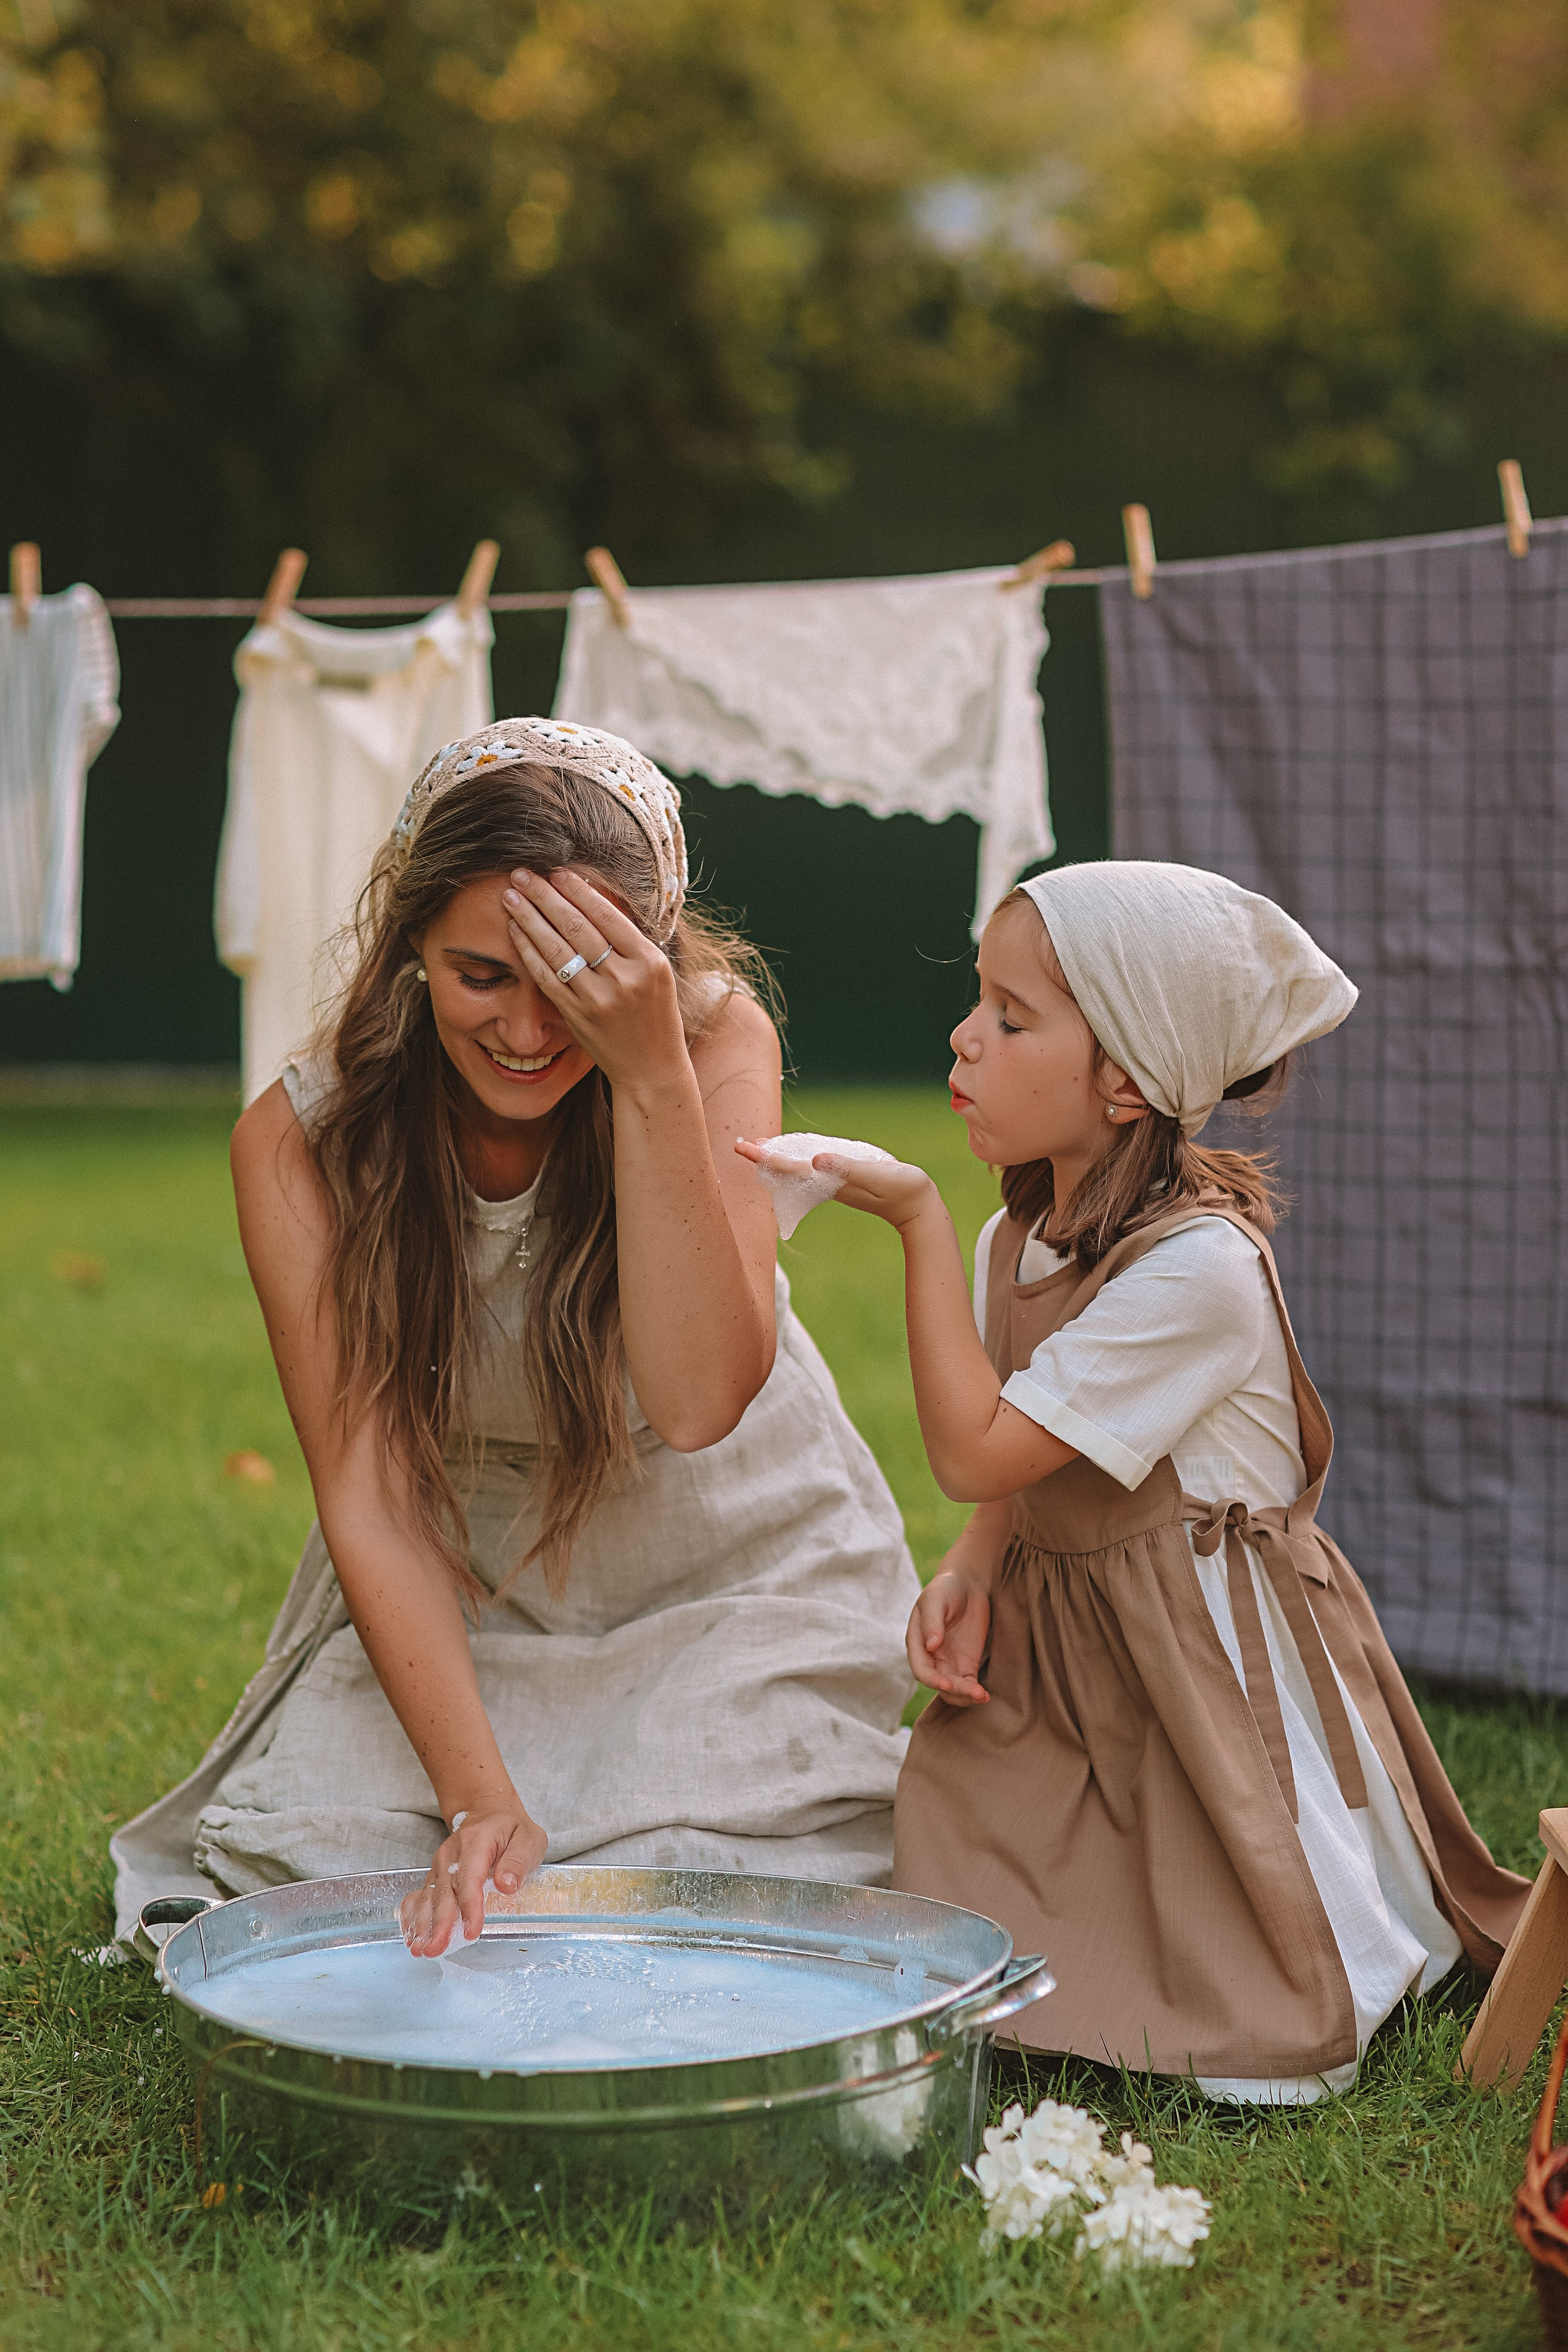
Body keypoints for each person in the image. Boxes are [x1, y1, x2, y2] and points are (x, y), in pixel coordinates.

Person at [112, 718, 917, 1954]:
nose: (532, 1033)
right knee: (315, 1861)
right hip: (463, 1568)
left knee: (700, 1868)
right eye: (482, 974)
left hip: (725, 1560)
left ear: (649, 960)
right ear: (410, 945)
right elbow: (372, 1499)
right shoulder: (300, 1142)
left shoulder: (708, 1044)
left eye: (577, 984)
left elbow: (702, 1400)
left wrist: (649, 1076)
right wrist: (478, 1797)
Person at [743, 861, 1529, 2101]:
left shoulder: (1195, 1274)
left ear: (1123, 1081)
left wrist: (911, 1218)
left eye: (1010, 1016)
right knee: (953, 1875)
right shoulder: (1022, 1236)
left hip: (1194, 1657)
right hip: (1071, 1643)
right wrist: (974, 1564)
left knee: (1232, 1994)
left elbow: (970, 1448)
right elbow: (1017, 1452)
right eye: (976, 1003)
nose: (963, 1035)